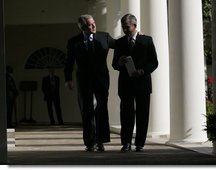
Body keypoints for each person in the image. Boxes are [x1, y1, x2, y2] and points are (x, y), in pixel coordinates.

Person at [64, 14, 115, 152]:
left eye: (94, 23)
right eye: (89, 25)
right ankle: (89, 142)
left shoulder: (104, 36)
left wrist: (136, 35)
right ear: (81, 27)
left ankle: (101, 141)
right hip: (83, 80)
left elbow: (119, 44)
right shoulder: (73, 41)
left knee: (102, 109)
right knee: (86, 110)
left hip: (101, 79)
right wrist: (68, 78)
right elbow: (69, 61)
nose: (93, 27)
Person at [112, 14, 158, 152]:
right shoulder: (119, 43)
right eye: (123, 27)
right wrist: (119, 63)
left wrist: (143, 71)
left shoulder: (146, 40)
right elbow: (114, 64)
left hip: (142, 83)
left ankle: (140, 144)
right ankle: (126, 143)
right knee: (126, 114)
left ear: (134, 25)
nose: (125, 30)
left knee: (142, 114)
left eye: (127, 27)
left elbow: (154, 62)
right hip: (126, 84)